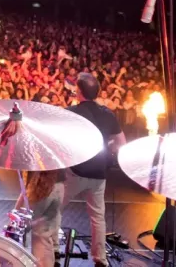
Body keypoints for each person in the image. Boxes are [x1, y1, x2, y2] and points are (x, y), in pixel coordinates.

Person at [57, 72, 126, 267]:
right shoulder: (108, 113)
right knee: (98, 217)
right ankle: (100, 258)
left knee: (55, 209)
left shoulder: (70, 112)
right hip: (99, 173)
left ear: (78, 92)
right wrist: (109, 145)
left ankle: (53, 250)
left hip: (76, 172)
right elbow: (121, 143)